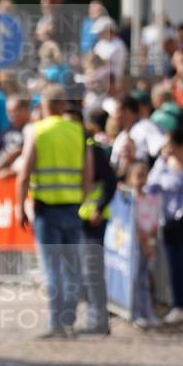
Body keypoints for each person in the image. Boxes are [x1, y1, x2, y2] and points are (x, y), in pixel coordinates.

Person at [16, 85, 92, 338]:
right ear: (64, 106)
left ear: (44, 106)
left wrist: (20, 207)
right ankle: (69, 320)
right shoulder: (78, 131)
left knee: (52, 269)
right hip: (72, 208)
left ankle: (56, 323)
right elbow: (88, 173)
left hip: (46, 210)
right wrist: (81, 200)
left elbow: (24, 173)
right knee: (72, 269)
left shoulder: (37, 131)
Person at [71, 108, 117, 336]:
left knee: (92, 271)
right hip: (78, 217)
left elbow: (110, 181)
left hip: (93, 219)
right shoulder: (72, 147)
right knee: (83, 272)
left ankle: (99, 321)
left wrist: (98, 208)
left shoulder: (92, 149)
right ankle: (93, 318)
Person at [145, 125, 183, 325]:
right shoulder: (163, 165)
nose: (165, 148)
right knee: (175, 264)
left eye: (168, 144)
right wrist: (161, 162)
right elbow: (150, 187)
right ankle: (178, 305)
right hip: (170, 223)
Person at [122, 160, 160, 328]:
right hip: (135, 246)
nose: (141, 180)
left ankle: (147, 312)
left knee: (146, 279)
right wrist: (144, 241)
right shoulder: (128, 200)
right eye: (137, 176)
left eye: (144, 176)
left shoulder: (150, 199)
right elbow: (133, 224)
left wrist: (149, 241)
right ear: (129, 178)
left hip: (147, 245)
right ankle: (137, 313)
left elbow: (154, 222)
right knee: (136, 280)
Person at [110, 95, 165, 168]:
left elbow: (161, 150)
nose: (114, 116)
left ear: (128, 112)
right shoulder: (121, 137)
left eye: (117, 111)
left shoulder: (146, 126)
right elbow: (113, 165)